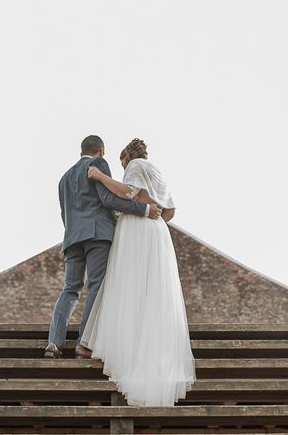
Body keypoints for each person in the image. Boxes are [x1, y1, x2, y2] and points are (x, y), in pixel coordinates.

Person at [81, 138, 196, 406]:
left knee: (130, 285)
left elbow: (128, 191)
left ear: (126, 158)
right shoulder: (155, 171)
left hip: (138, 230)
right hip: (159, 234)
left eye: (122, 164)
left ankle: (129, 351)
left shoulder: (135, 165)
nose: (123, 168)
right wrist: (154, 220)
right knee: (153, 289)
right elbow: (171, 210)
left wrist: (99, 175)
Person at [45, 135, 163, 359]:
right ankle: (84, 342)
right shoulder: (98, 165)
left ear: (82, 151)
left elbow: (65, 214)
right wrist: (143, 210)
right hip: (97, 234)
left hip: (72, 238)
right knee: (96, 287)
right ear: (101, 151)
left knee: (70, 290)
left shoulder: (64, 179)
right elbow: (108, 200)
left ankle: (54, 343)